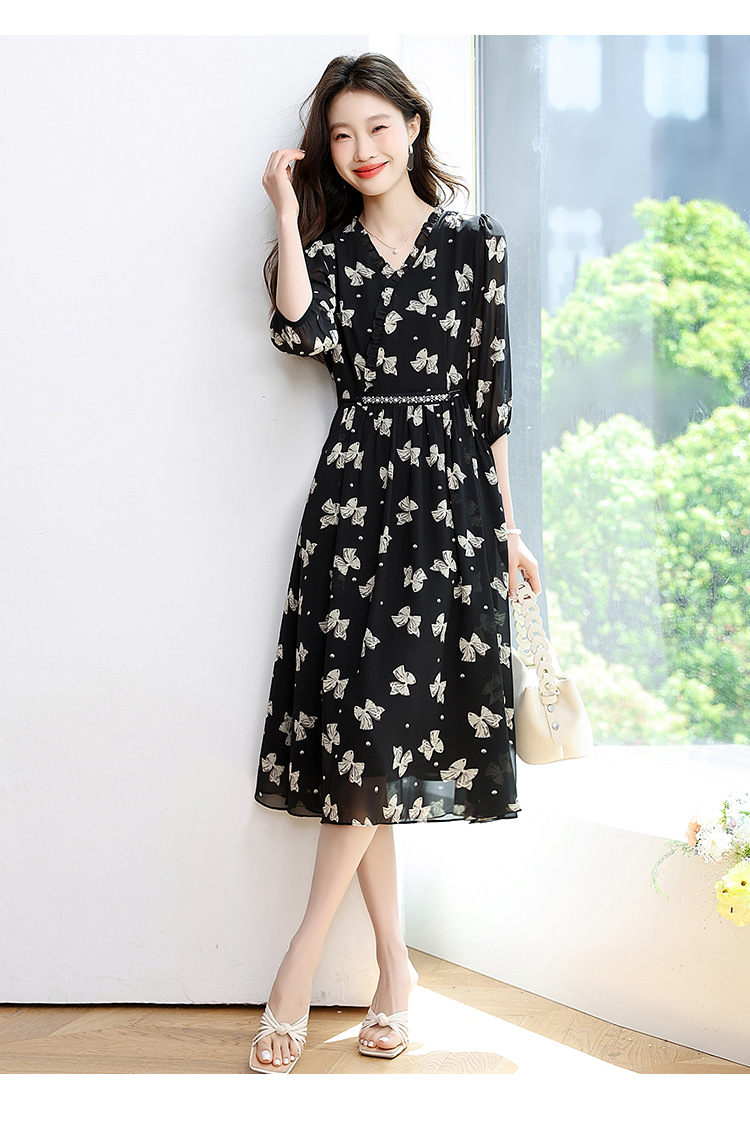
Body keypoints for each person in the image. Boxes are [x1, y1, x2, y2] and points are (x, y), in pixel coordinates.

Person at [249, 52, 541, 1074]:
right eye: (341, 135)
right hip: (353, 508)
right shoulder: (329, 252)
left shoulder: (474, 242)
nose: (360, 149)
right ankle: (396, 971)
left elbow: (491, 402)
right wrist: (287, 210)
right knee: (365, 741)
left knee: (379, 740)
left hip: (449, 509)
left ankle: (300, 964)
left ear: (414, 125)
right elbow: (299, 329)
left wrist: (509, 531)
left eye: (377, 127)